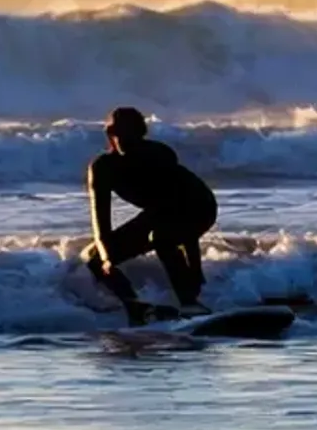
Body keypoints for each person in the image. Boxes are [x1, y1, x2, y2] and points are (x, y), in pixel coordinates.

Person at [84, 106, 219, 321]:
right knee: (95, 259)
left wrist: (195, 267)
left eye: (133, 137)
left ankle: (190, 302)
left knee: (162, 237)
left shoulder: (160, 155)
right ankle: (135, 307)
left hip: (198, 206)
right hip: (159, 212)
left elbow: (180, 211)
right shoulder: (102, 168)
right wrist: (108, 259)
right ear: (111, 135)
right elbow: (101, 222)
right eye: (122, 136)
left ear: (142, 135)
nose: (128, 142)